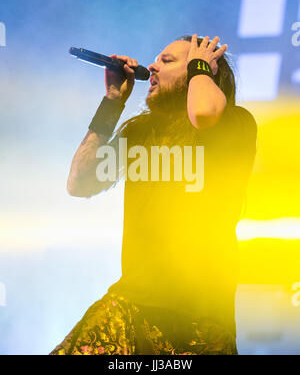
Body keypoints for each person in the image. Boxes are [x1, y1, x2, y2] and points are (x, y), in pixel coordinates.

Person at [50, 34, 257, 355]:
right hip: (132, 302)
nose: (152, 67)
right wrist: (112, 101)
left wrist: (200, 65)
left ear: (200, 70)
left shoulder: (235, 123)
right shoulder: (141, 132)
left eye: (168, 61)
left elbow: (203, 114)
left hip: (200, 316)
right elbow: (79, 182)